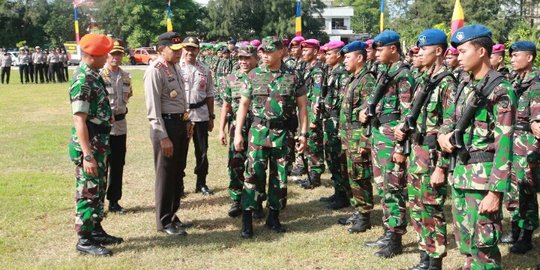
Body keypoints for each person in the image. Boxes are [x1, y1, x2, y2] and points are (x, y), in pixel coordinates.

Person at [438, 24, 517, 269]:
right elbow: (450, 119)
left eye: (463, 52)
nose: (458, 57)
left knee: (484, 248)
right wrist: (443, 137)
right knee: (466, 244)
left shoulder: (501, 90)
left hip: (483, 182)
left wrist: (495, 192)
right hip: (461, 175)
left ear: (482, 52)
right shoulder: (465, 84)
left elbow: (505, 145)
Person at [394, 29, 457, 270]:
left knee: (431, 207)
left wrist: (441, 167)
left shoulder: (447, 84)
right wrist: (402, 132)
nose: (419, 52)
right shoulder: (423, 80)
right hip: (417, 151)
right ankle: (424, 254)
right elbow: (412, 114)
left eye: (423, 48)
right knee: (417, 206)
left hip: (432, 155)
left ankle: (435, 260)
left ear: (439, 51)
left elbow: (449, 128)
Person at [234, 36, 308, 238]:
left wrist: (303, 134)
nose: (264, 55)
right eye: (262, 52)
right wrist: (238, 133)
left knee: (280, 177)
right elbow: (243, 105)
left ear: (281, 52)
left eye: (269, 52)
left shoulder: (293, 76)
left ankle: (273, 217)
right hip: (258, 132)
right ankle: (247, 219)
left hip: (283, 134)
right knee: (252, 176)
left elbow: (303, 108)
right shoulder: (253, 75)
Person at [359, 30, 415, 258]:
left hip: (392, 141)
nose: (375, 52)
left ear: (393, 49)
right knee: (383, 188)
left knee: (394, 188)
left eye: (380, 49)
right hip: (379, 136)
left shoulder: (403, 75)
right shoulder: (384, 72)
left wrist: (401, 149)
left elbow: (407, 116)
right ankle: (387, 231)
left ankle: (395, 238)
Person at [68, 33, 123, 256]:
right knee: (87, 190)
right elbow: (79, 119)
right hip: (90, 145)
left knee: (98, 189)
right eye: (103, 54)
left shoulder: (94, 75)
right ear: (91, 55)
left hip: (100, 141)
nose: (107, 57)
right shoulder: (83, 79)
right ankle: (84, 238)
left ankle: (96, 229)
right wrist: (87, 154)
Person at [144, 32, 191, 236]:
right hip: (166, 126)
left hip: (179, 123)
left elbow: (181, 98)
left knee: (177, 171)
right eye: (174, 50)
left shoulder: (174, 67)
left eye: (180, 49)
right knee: (165, 174)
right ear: (161, 49)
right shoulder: (155, 71)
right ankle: (163, 221)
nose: (179, 53)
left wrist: (187, 120)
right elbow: (153, 109)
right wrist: (162, 136)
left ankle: (173, 214)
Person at [500, 41, 539, 255]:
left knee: (526, 190)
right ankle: (515, 229)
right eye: (511, 56)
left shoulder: (536, 84)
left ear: (530, 57)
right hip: (512, 142)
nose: (512, 59)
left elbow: (537, 123)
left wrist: (533, 155)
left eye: (516, 55)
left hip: (527, 145)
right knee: (513, 188)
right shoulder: (515, 81)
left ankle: (526, 234)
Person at [336, 41, 376, 233]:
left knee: (360, 176)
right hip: (348, 136)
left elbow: (368, 115)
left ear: (359, 58)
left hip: (357, 136)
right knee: (351, 175)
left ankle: (364, 215)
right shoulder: (354, 78)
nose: (344, 61)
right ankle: (358, 209)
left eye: (348, 57)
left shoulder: (367, 80)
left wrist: (364, 141)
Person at [218, 45, 258, 218]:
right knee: (236, 162)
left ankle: (256, 200)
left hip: (258, 125)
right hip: (237, 126)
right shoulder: (231, 78)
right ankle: (237, 199)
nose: (243, 62)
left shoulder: (262, 78)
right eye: (241, 58)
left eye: (247, 58)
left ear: (256, 58)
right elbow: (226, 106)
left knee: (257, 164)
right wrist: (221, 130)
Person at [317, 40, 350, 209]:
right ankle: (338, 191)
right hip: (329, 120)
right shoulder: (332, 72)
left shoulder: (343, 74)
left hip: (337, 121)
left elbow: (344, 101)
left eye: (329, 53)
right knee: (331, 157)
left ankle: (343, 195)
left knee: (339, 158)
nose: (326, 56)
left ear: (338, 54)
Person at [180, 36, 215, 196]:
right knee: (180, 151)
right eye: (187, 48)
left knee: (202, 151)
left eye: (193, 48)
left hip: (200, 114)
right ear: (182, 49)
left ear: (198, 50)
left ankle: (201, 182)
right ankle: (178, 184)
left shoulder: (205, 70)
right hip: (181, 115)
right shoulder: (176, 68)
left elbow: (209, 94)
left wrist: (211, 116)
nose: (190, 52)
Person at [101, 40, 132, 214]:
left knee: (118, 163)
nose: (116, 57)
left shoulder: (126, 75)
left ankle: (114, 201)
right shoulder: (100, 75)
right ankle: (98, 201)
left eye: (119, 54)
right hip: (105, 126)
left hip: (121, 125)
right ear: (107, 55)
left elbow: (128, 97)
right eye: (113, 54)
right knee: (102, 165)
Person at [298, 39, 326, 189]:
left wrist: (315, 119)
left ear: (315, 51)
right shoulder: (308, 68)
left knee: (314, 144)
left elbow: (317, 96)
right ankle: (311, 172)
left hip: (312, 112)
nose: (303, 52)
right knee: (308, 144)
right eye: (302, 50)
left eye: (306, 50)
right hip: (305, 110)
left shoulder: (317, 71)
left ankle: (315, 175)